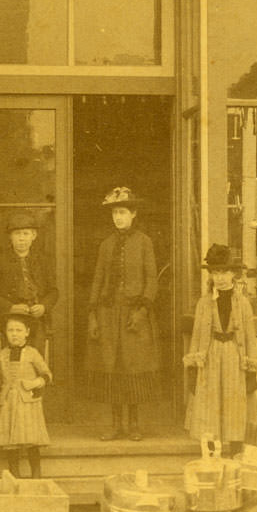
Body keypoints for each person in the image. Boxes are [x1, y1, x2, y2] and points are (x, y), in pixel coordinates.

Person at [87, 186, 159, 442]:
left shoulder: (144, 242)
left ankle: (134, 424)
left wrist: (142, 311)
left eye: (123, 212)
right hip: (108, 315)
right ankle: (116, 424)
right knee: (113, 369)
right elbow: (97, 280)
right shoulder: (106, 245)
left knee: (133, 369)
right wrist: (93, 315)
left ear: (133, 214)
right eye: (115, 213)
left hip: (134, 316)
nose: (118, 217)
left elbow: (152, 281)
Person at [183, 243, 257, 454]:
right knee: (209, 406)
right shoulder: (204, 303)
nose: (221, 278)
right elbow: (198, 336)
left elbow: (250, 338)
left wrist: (252, 371)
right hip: (211, 357)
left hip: (235, 357)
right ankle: (210, 455)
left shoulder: (243, 303)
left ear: (233, 274)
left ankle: (235, 454)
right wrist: (193, 368)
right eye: (216, 272)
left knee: (235, 406)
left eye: (225, 272)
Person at [0, 209, 58, 354]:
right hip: (9, 321)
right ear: (10, 236)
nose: (21, 238)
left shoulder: (43, 260)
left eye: (26, 233)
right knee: (12, 360)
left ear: (34, 235)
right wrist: (11, 307)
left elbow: (53, 291)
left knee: (35, 359)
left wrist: (43, 306)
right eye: (17, 234)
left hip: (36, 320)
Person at [0, 314, 52, 478]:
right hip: (8, 402)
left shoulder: (33, 353)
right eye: (10, 330)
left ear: (27, 332)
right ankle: (14, 475)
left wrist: (36, 382)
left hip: (28, 402)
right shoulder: (2, 354)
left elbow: (47, 375)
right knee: (11, 441)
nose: (14, 334)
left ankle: (36, 476)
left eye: (18, 330)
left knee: (31, 440)